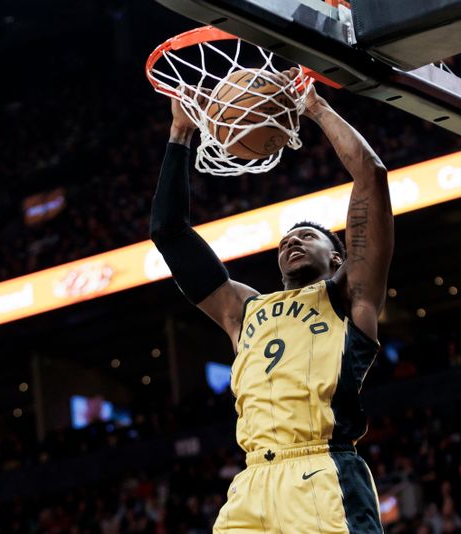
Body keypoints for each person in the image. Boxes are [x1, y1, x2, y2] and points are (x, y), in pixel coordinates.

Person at [150, 81, 393, 533]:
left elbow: (371, 175)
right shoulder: (242, 309)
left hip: (322, 474)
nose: (292, 241)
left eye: (307, 236)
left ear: (337, 258)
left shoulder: (347, 297)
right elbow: (170, 233)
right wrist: (180, 134)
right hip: (252, 485)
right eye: (285, 240)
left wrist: (316, 108)